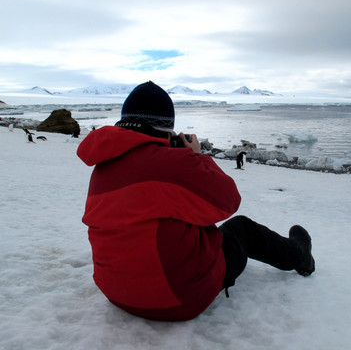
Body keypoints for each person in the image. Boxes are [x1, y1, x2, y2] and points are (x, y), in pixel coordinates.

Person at [77, 81, 315, 321]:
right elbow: (229, 200)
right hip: (178, 299)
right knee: (241, 228)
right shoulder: (171, 164)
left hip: (116, 293)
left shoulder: (102, 167)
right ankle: (300, 256)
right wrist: (195, 156)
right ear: (165, 127)